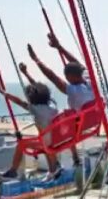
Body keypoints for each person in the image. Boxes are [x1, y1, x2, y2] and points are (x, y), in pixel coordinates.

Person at [26, 33, 96, 166]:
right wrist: (59, 47)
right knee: (67, 115)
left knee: (60, 118)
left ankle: (59, 160)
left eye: (67, 77)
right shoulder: (90, 80)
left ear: (71, 77)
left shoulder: (74, 91)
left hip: (79, 126)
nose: (66, 80)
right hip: (92, 119)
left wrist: (36, 60)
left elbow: (52, 76)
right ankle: (75, 157)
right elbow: (79, 65)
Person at [0, 80, 63, 182]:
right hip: (56, 140)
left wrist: (2, 92)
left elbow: (19, 102)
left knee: (21, 145)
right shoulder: (54, 108)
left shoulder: (34, 108)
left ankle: (13, 171)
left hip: (47, 142)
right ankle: (53, 169)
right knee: (44, 141)